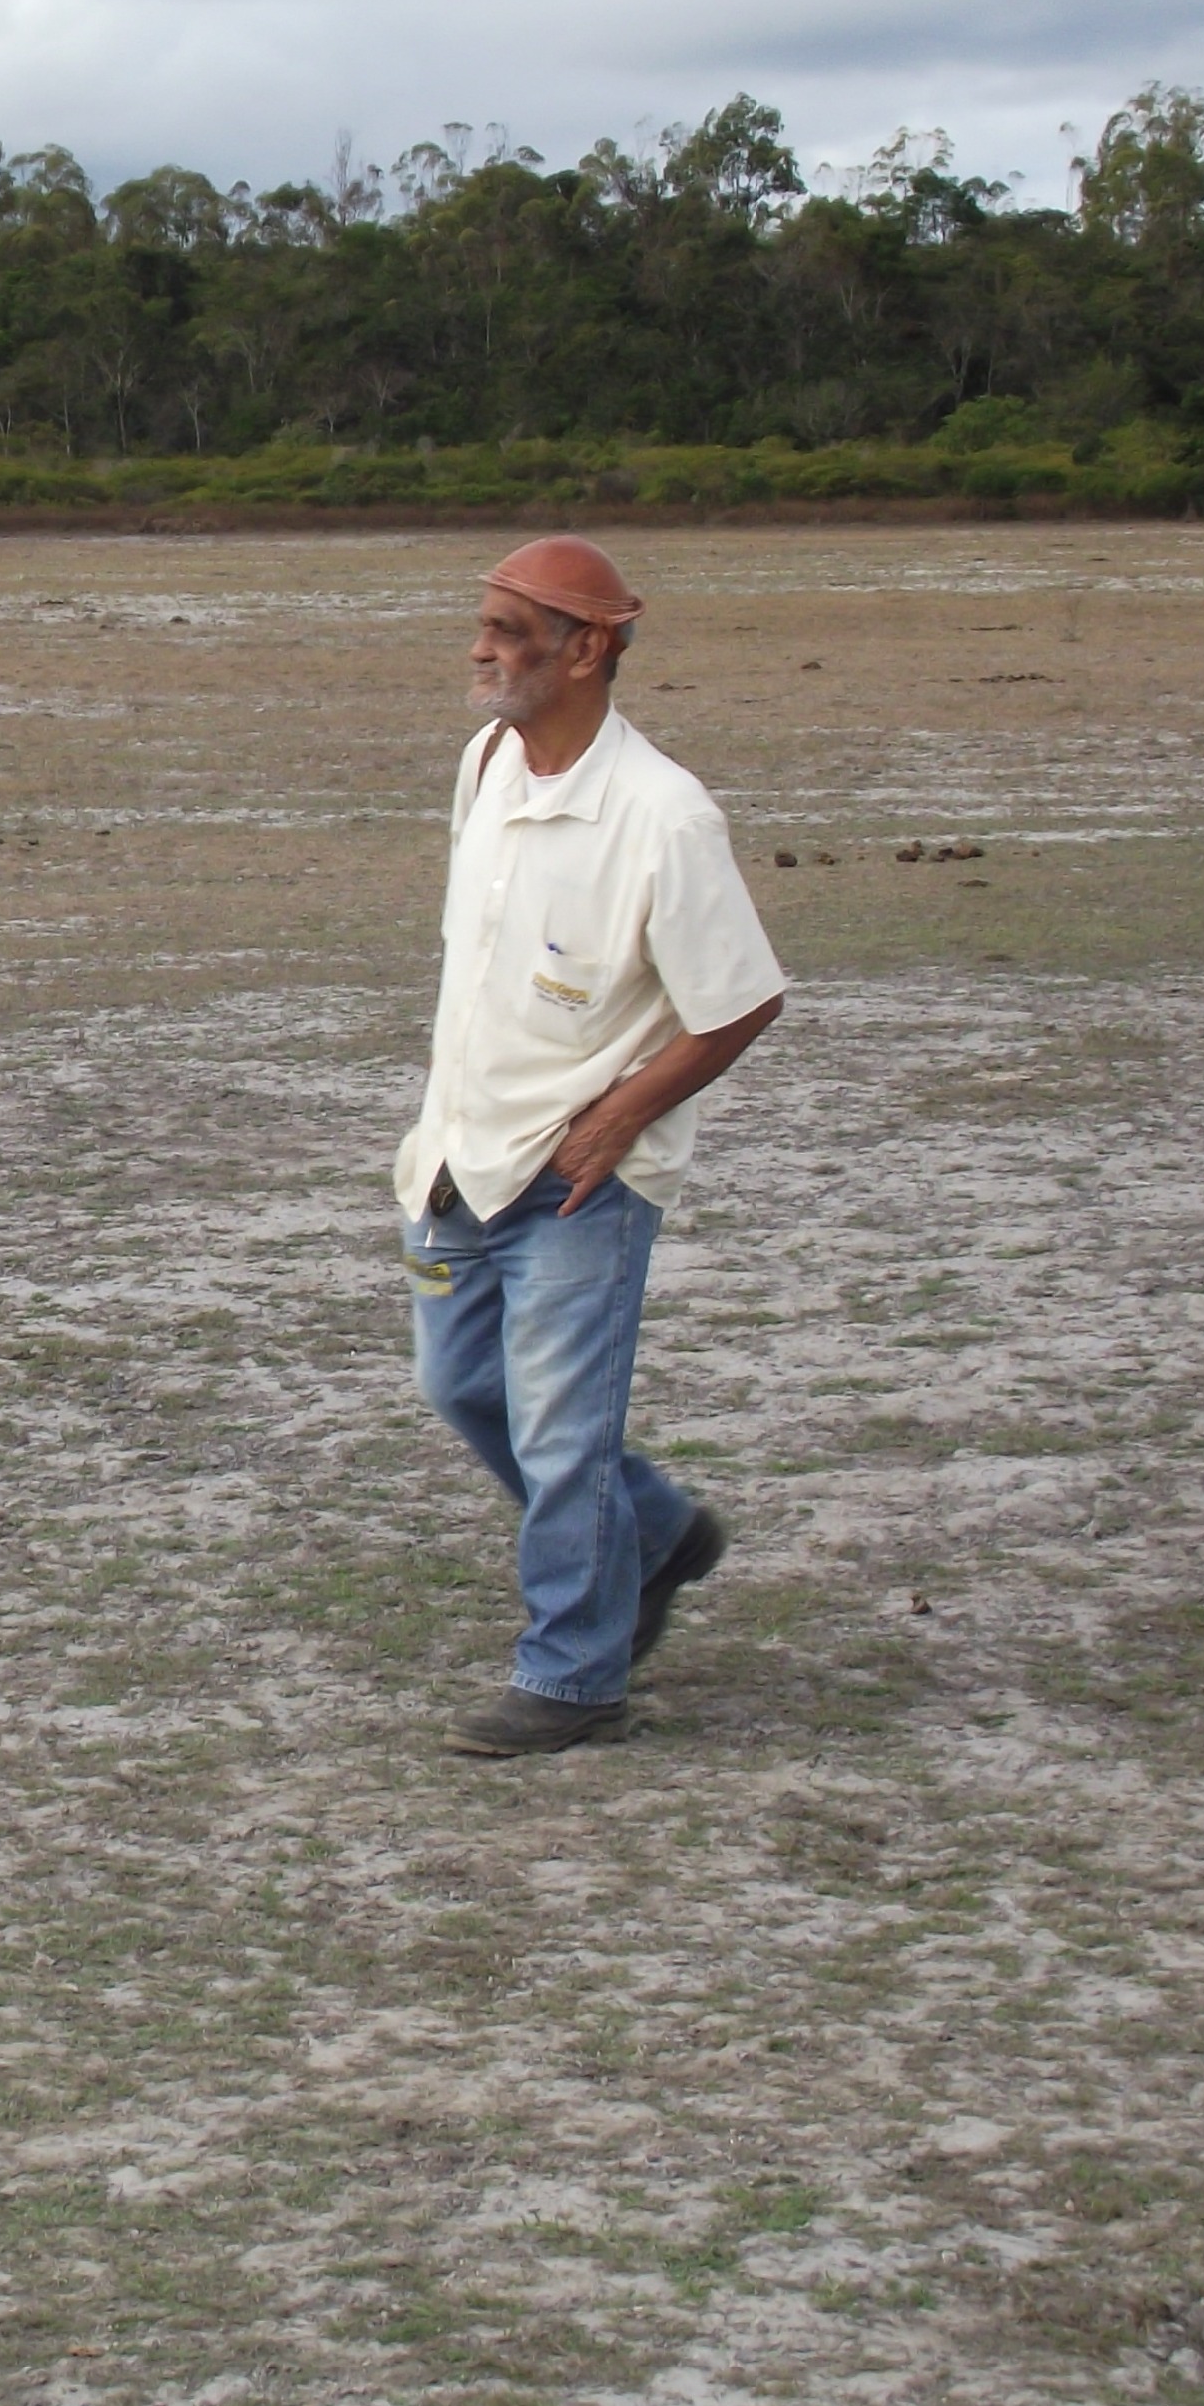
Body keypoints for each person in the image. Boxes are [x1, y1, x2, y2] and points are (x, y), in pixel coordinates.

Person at [398, 537, 787, 1756]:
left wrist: (619, 1119)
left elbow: (738, 1001)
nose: (481, 649)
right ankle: (658, 1532)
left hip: (579, 1184)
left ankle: (572, 1676)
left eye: (513, 631)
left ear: (590, 648)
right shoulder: (484, 764)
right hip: (460, 1154)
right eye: (484, 624)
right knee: (462, 1389)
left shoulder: (662, 816)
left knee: (563, 1432)